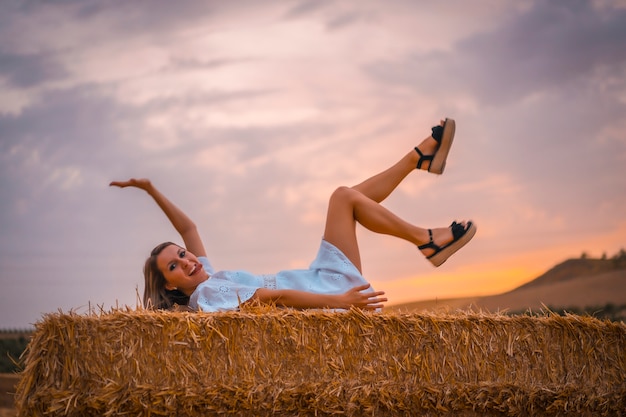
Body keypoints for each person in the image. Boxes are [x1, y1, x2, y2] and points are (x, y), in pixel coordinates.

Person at [110, 118, 476, 312]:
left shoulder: (207, 280)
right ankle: (426, 239)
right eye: (174, 266)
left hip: (315, 279)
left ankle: (418, 159)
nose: (187, 260)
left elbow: (188, 227)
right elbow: (271, 300)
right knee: (342, 197)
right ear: (170, 286)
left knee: (344, 199)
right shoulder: (206, 298)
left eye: (182, 254)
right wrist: (340, 302)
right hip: (324, 295)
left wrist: (149, 189)